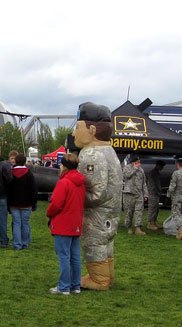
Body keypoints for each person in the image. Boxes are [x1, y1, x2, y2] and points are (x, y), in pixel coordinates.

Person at [72, 102, 122, 290]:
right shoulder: (110, 151)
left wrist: (75, 200)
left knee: (94, 242)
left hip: (97, 213)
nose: (74, 134)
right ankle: (106, 275)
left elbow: (95, 192)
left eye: (78, 128)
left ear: (92, 129)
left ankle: (99, 280)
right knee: (106, 243)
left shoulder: (90, 154)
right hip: (112, 210)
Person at [47, 153, 86, 295]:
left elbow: (56, 204)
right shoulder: (81, 182)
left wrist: (49, 213)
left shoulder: (64, 182)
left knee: (64, 256)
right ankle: (75, 285)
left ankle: (64, 286)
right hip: (76, 221)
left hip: (63, 222)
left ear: (64, 166)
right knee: (74, 255)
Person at [8, 153, 37, 250]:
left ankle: (17, 244)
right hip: (27, 203)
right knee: (25, 223)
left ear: (15, 161)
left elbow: (7, 189)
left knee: (16, 223)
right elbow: (33, 190)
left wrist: (8, 203)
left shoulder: (11, 173)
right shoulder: (29, 173)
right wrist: (34, 203)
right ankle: (24, 243)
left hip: (14, 203)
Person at [122, 156, 149, 235]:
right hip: (129, 193)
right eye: (138, 162)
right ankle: (129, 227)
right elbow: (126, 176)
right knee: (129, 212)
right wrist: (134, 168)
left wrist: (146, 194)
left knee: (139, 211)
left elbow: (144, 183)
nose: (139, 163)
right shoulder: (127, 168)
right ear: (134, 162)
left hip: (139, 194)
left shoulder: (141, 170)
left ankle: (138, 228)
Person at [146, 160, 166, 230]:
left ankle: (154, 222)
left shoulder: (156, 172)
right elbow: (156, 184)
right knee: (152, 208)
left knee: (156, 209)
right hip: (153, 193)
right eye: (162, 167)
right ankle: (150, 223)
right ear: (158, 165)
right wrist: (160, 191)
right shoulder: (153, 173)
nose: (162, 168)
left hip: (155, 193)